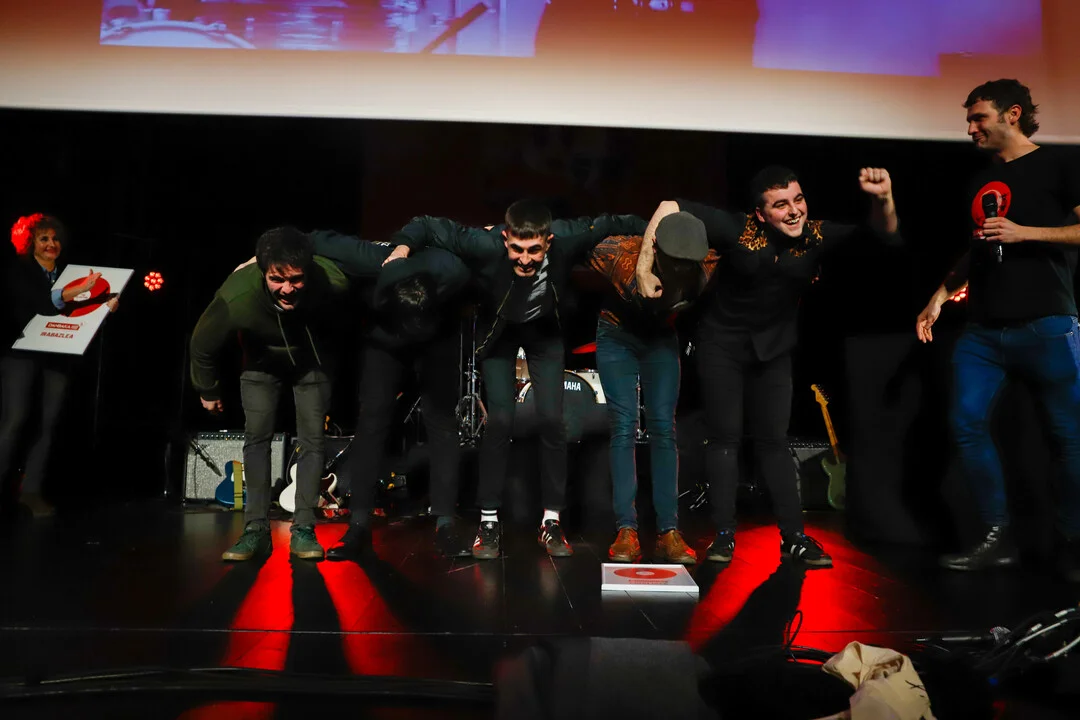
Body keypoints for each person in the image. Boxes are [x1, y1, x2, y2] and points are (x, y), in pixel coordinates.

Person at [638, 166, 900, 567]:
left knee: (774, 442)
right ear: (760, 214)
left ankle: (794, 537)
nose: (794, 211)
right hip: (722, 345)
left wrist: (883, 199)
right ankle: (724, 535)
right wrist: (643, 268)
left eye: (798, 199)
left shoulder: (815, 235)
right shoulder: (738, 229)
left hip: (774, 350)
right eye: (781, 205)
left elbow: (882, 235)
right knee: (725, 439)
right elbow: (668, 205)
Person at [385, 201, 645, 559]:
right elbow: (429, 224)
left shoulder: (568, 237)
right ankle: (488, 522)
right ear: (505, 238)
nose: (525, 259)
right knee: (501, 421)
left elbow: (612, 221)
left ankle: (551, 521)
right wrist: (402, 246)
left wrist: (657, 232)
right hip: (500, 334)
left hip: (544, 333)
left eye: (534, 250)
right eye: (517, 249)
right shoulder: (483, 243)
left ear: (548, 241)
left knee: (552, 420)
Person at [915, 79, 1080, 580]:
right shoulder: (981, 180)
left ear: (1012, 114)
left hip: (1047, 325)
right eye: (969, 120)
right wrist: (940, 295)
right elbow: (978, 248)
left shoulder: (1057, 165)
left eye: (978, 118)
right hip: (984, 332)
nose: (971, 128)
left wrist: (1024, 233)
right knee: (966, 424)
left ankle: (1072, 544)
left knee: (1069, 438)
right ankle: (995, 537)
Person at [308, 231, 475, 560]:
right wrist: (258, 259)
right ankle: (358, 525)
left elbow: (490, 248)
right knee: (372, 421)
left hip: (438, 338)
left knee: (442, 422)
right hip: (384, 340)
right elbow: (309, 239)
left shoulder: (452, 270)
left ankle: (445, 523)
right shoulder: (369, 260)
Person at [190, 227, 348, 561]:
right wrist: (208, 388)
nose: (287, 289)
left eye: (296, 279)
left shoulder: (329, 281)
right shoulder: (237, 295)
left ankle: (304, 528)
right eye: (277, 279)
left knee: (313, 440)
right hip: (260, 364)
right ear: (262, 272)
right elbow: (202, 345)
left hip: (311, 363)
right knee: (257, 438)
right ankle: (255, 530)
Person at [587, 211, 718, 564]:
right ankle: (626, 529)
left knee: (663, 427)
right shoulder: (617, 256)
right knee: (624, 425)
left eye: (688, 264)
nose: (682, 270)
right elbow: (577, 238)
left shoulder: (706, 262)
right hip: (617, 334)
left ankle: (668, 531)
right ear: (656, 250)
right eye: (675, 262)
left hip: (660, 338)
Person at [1, 215, 118, 517]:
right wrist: (73, 292)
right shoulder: (19, 270)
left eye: (55, 238)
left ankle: (31, 492)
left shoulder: (70, 274)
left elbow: (80, 312)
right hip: (21, 353)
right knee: (15, 420)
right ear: (30, 243)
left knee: (48, 423)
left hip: (57, 355)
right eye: (44, 239)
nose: (51, 244)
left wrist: (105, 304)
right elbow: (41, 304)